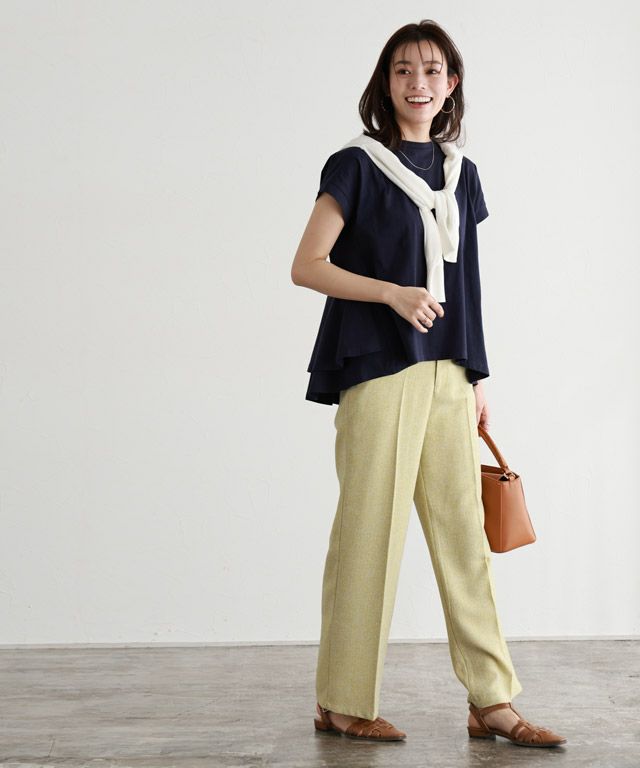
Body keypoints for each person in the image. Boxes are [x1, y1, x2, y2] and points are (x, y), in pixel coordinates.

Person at [290, 19, 567, 748]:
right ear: (387, 83)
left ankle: (491, 700)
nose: (419, 82)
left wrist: (477, 375)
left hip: (448, 370)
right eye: (404, 70)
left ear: (452, 84)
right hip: (378, 368)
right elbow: (307, 265)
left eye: (433, 70)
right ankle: (342, 701)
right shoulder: (356, 165)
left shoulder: (460, 174)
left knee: (464, 536)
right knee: (369, 535)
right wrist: (391, 293)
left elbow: (467, 282)